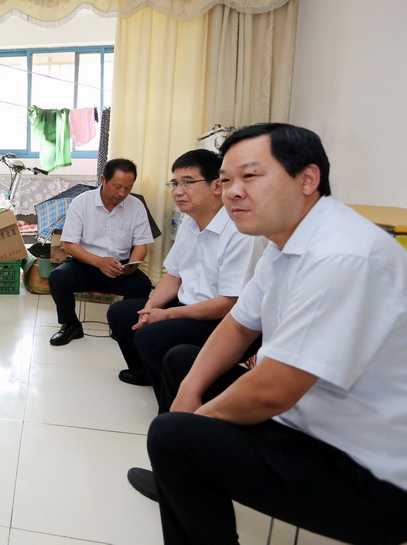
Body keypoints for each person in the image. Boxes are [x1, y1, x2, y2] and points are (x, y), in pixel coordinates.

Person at [145, 124, 407, 544]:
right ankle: (181, 475)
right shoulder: (284, 241)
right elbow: (239, 324)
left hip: (369, 470)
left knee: (174, 437)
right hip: (307, 418)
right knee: (183, 364)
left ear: (307, 179)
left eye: (250, 176)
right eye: (226, 180)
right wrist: (190, 393)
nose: (232, 192)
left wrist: (192, 423)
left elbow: (272, 392)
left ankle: (182, 465)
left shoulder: (342, 255)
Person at [107, 149, 262, 393]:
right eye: (175, 183)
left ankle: (173, 398)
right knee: (121, 313)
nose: (178, 191)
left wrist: (168, 315)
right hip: (188, 305)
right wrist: (150, 309)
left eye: (187, 182)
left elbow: (228, 303)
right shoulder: (189, 222)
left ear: (217, 185)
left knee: (151, 336)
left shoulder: (240, 231)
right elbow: (173, 276)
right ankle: (147, 371)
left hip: (224, 320)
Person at [48, 158, 154, 346]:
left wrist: (133, 264)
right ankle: (70, 324)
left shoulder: (136, 206)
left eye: (128, 188)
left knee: (142, 285)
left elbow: (141, 244)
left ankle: (123, 327)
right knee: (58, 277)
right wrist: (99, 262)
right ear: (103, 180)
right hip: (85, 263)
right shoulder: (81, 203)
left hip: (120, 267)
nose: (122, 193)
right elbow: (69, 244)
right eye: (117, 187)